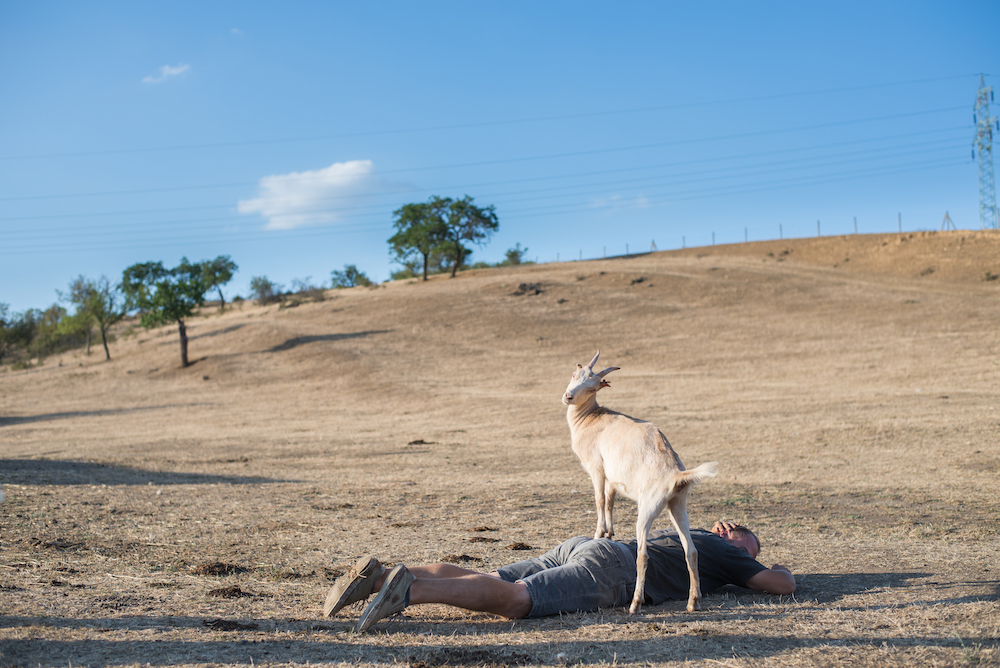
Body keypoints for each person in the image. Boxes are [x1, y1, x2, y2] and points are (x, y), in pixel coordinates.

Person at [324, 520, 796, 633]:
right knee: (514, 601)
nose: (749, 557)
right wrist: (774, 567)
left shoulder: (686, 532)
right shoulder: (720, 549)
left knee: (487, 577)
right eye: (749, 546)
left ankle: (381, 575)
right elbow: (781, 586)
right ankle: (409, 589)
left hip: (592, 546)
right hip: (612, 569)